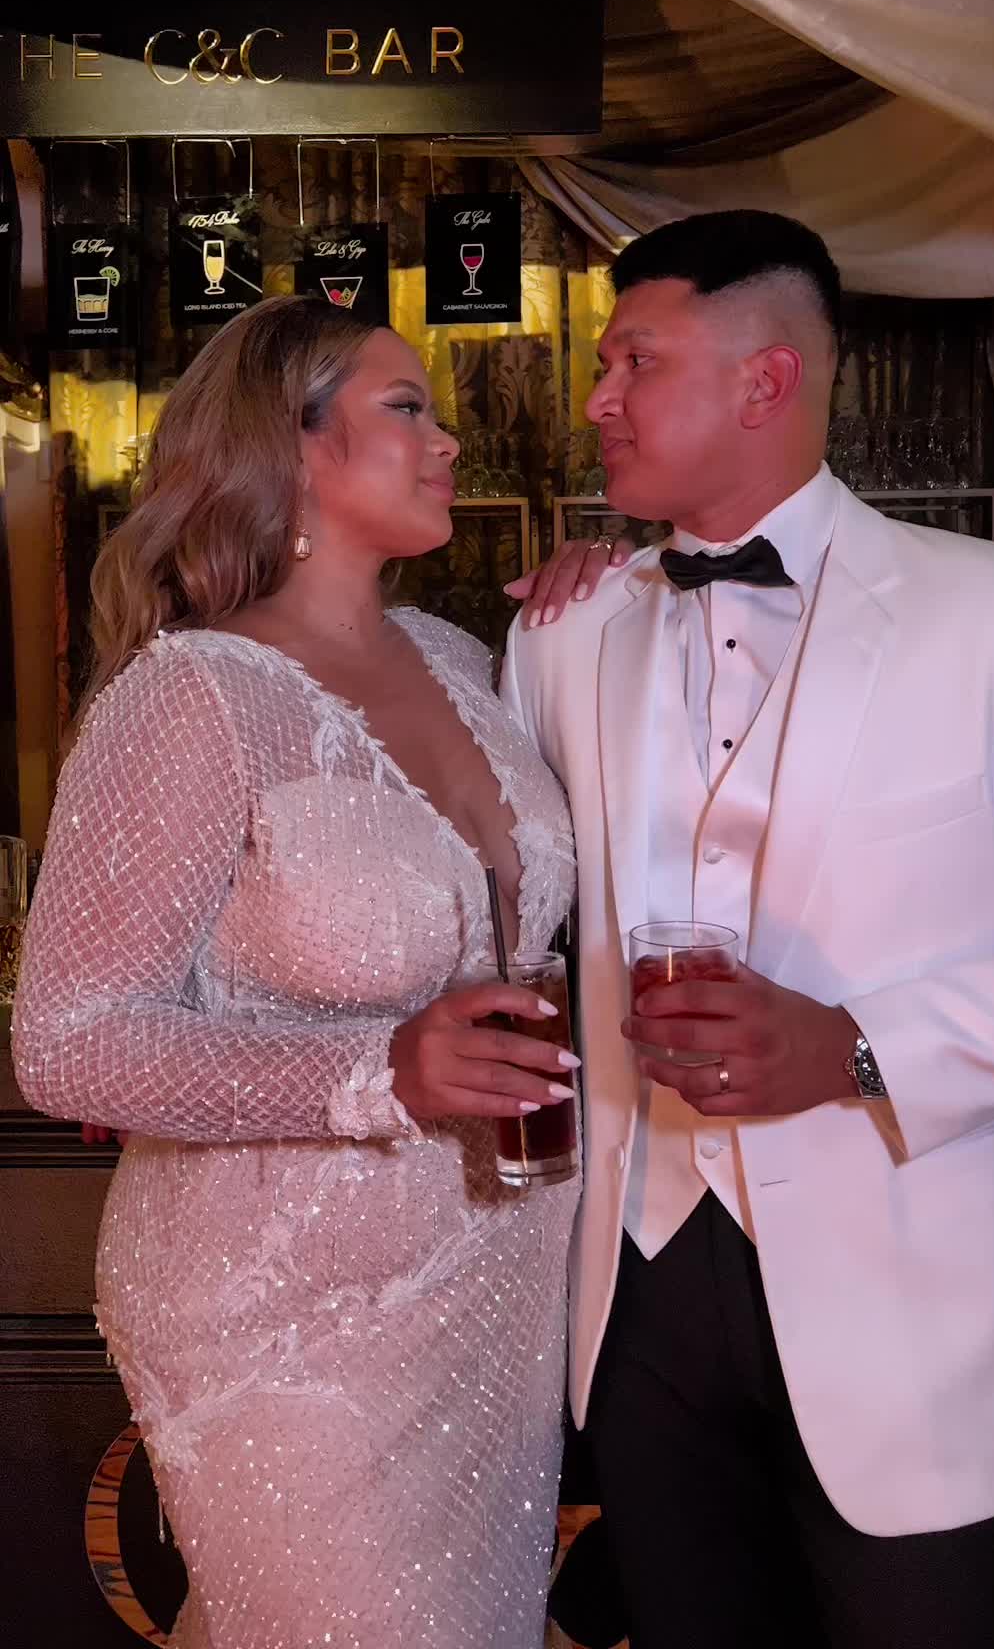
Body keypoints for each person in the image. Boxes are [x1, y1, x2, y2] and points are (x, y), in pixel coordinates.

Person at [502, 210, 994, 1647]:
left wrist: (858, 1050)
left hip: (922, 1323)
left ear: (766, 380)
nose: (597, 399)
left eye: (634, 361)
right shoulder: (561, 634)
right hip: (640, 1308)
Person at [14, 296, 587, 1649]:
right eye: (406, 409)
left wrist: (605, 595)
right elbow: (67, 1041)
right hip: (283, 1320)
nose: (449, 441)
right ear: (292, 444)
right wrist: (383, 1069)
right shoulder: (192, 696)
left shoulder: (463, 661)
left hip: (501, 1285)